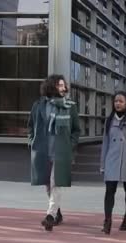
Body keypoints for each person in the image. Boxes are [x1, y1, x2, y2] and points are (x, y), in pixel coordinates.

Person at [28, 75, 80, 231]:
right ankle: (57, 213)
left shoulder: (70, 106)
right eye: (60, 85)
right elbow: (30, 126)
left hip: (61, 152)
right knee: (48, 185)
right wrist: (31, 141)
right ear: (51, 87)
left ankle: (50, 216)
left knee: (55, 183)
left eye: (64, 85)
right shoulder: (38, 106)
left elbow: (76, 130)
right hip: (42, 151)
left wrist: (70, 146)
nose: (63, 88)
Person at [99, 91, 126, 235]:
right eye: (116, 101)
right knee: (109, 191)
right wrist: (102, 164)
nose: (118, 103)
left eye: (121, 101)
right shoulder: (109, 120)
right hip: (112, 159)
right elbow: (105, 143)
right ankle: (107, 220)